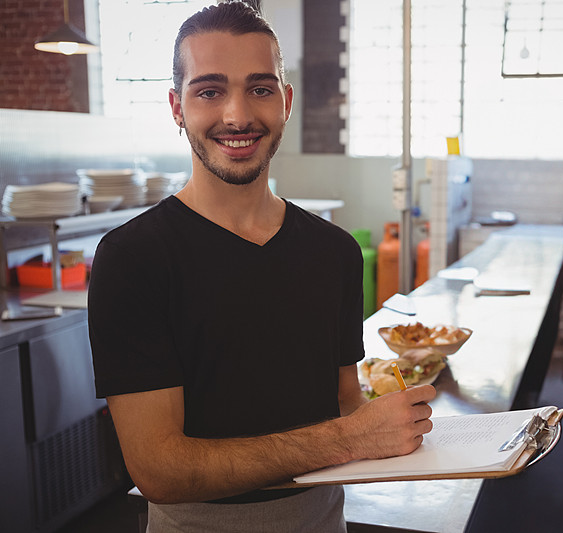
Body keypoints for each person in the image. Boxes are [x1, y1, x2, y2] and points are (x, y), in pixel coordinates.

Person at [87, 2, 435, 532]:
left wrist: (406, 429)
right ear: (177, 107)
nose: (237, 115)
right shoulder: (132, 260)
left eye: (260, 88)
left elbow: (345, 406)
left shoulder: (334, 253)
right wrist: (352, 438)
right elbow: (160, 470)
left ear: (286, 101)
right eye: (209, 91)